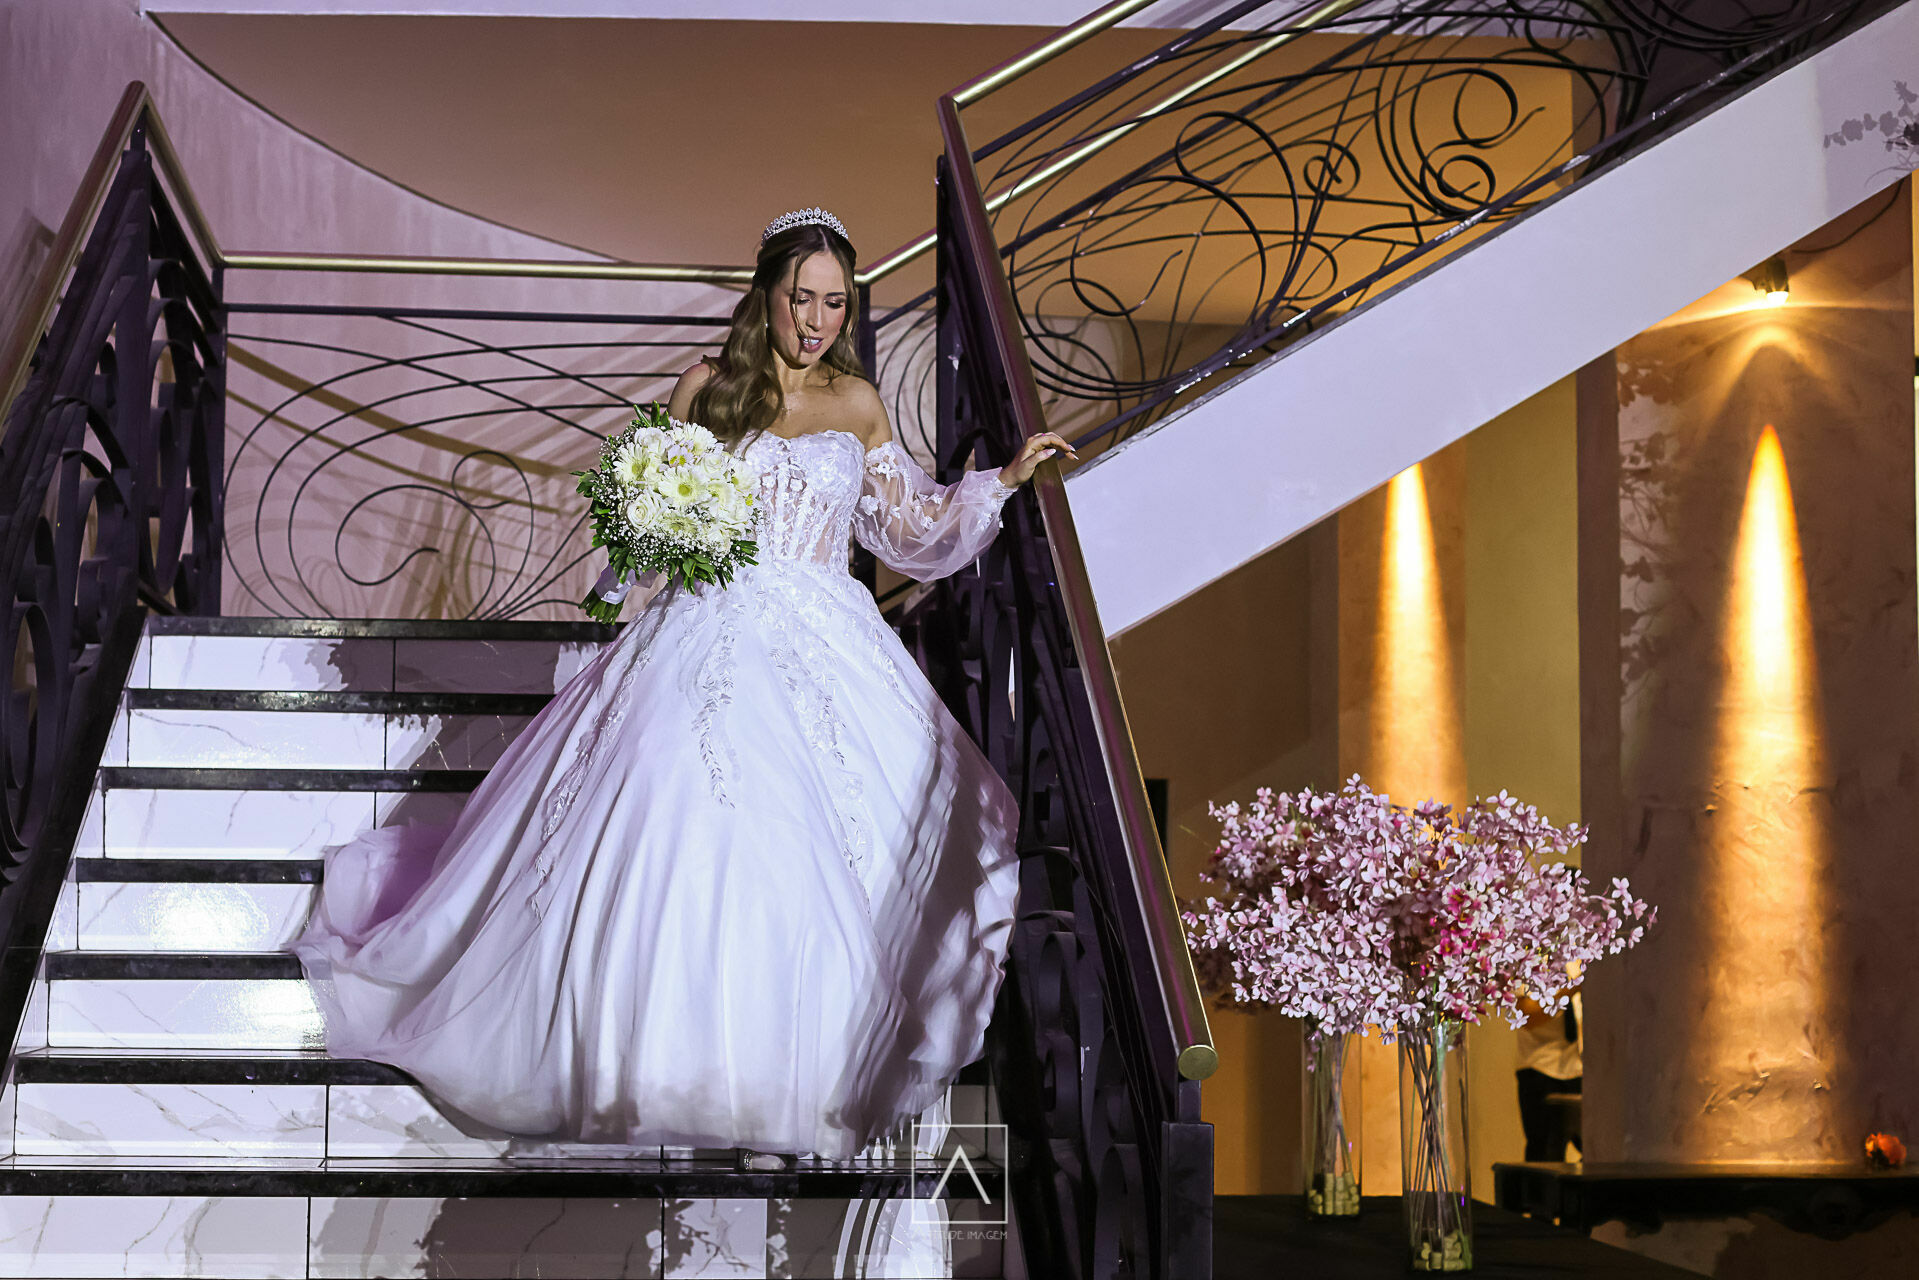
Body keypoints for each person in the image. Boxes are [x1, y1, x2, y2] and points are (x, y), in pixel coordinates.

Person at [291, 206, 1079, 1171]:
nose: (816, 320)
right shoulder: (708, 386)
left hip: (827, 636)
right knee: (678, 817)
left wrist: (999, 481)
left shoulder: (859, 402)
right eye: (800, 298)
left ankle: (795, 1077)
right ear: (767, 295)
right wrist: (618, 577)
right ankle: (650, 1058)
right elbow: (651, 508)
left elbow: (908, 529)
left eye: (835, 302)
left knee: (829, 847)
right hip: (707, 620)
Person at [1515, 989, 1583, 1162]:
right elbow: (1526, 1017)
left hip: (1579, 1066)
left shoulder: (1578, 969)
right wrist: (1571, 989)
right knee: (1545, 1158)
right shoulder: (1523, 969)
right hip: (1540, 1067)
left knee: (1600, 1152)